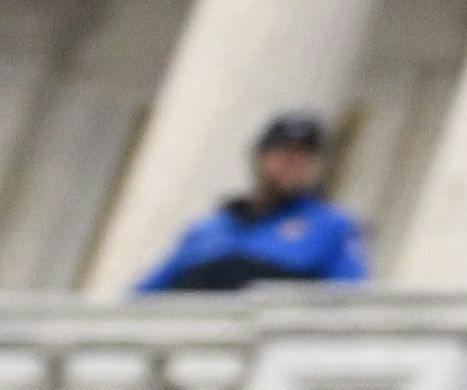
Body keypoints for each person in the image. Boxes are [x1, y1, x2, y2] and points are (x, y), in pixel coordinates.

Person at [134, 113, 367, 293]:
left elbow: (348, 301)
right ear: (261, 157)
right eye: (285, 155)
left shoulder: (332, 228)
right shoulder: (208, 229)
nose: (294, 165)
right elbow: (146, 297)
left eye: (304, 159)